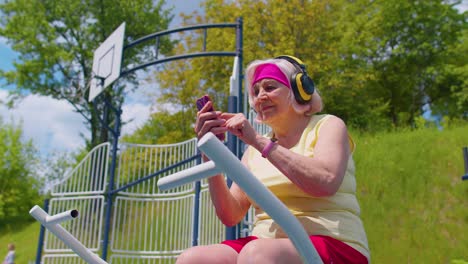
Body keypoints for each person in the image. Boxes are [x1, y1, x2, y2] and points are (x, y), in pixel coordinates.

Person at [177, 55, 370, 263]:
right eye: (256, 91)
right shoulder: (252, 153)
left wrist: (259, 141)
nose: (260, 96)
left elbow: (325, 182)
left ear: (299, 90)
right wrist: (211, 150)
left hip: (334, 243)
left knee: (257, 254)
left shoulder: (328, 125)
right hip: (265, 244)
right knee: (193, 258)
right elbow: (230, 215)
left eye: (269, 88)